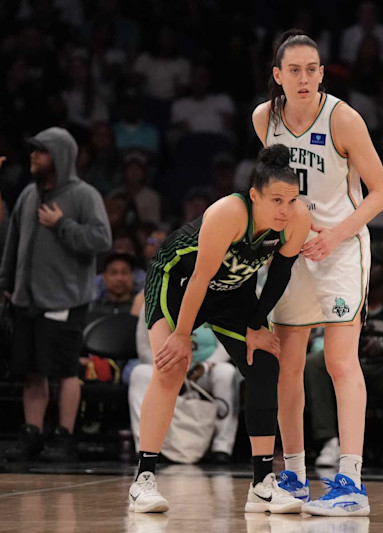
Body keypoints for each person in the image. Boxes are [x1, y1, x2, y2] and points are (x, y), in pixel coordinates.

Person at [251, 30, 383, 516]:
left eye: (313, 69)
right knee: (287, 366)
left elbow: (380, 192)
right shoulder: (263, 119)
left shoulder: (343, 118)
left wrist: (333, 234)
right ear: (278, 76)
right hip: (290, 253)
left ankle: (351, 481)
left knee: (338, 362)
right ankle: (292, 475)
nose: (305, 77)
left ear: (322, 73)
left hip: (339, 250)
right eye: (295, 70)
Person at [128, 145, 311, 514]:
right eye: (276, 200)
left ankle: (262, 484)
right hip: (177, 281)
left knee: (264, 363)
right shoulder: (228, 212)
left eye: (291, 201)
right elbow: (200, 276)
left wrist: (257, 325)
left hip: (231, 292)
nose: (285, 210)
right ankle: (143, 480)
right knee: (171, 366)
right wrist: (182, 335)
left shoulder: (297, 219)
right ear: (254, 195)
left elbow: (279, 274)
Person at [0, 127, 112, 463]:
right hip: (26, 301)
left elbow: (101, 239)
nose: (33, 156)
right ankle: (32, 434)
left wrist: (63, 225)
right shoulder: (28, 195)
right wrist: (6, 281)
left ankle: (64, 437)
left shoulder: (83, 195)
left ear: (60, 156)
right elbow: (13, 243)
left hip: (64, 302)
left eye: (41, 151)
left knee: (64, 371)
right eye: (32, 151)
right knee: (32, 372)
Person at [306, 244, 383, 470]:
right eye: (365, 260)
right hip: (347, 367)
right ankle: (329, 442)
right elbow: (320, 340)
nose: (368, 266)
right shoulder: (343, 294)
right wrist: (348, 345)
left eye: (375, 263)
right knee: (314, 361)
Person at [128, 311, 241, 465]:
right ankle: (145, 448)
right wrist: (169, 369)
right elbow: (143, 348)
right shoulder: (153, 300)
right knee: (139, 373)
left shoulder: (215, 295)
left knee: (226, 373)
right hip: (166, 368)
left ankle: (222, 447)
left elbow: (226, 343)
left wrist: (207, 365)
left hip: (202, 371)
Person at [88, 251, 137, 322]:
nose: (119, 278)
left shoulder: (142, 309)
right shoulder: (92, 309)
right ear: (104, 277)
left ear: (132, 276)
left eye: (125, 272)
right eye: (113, 273)